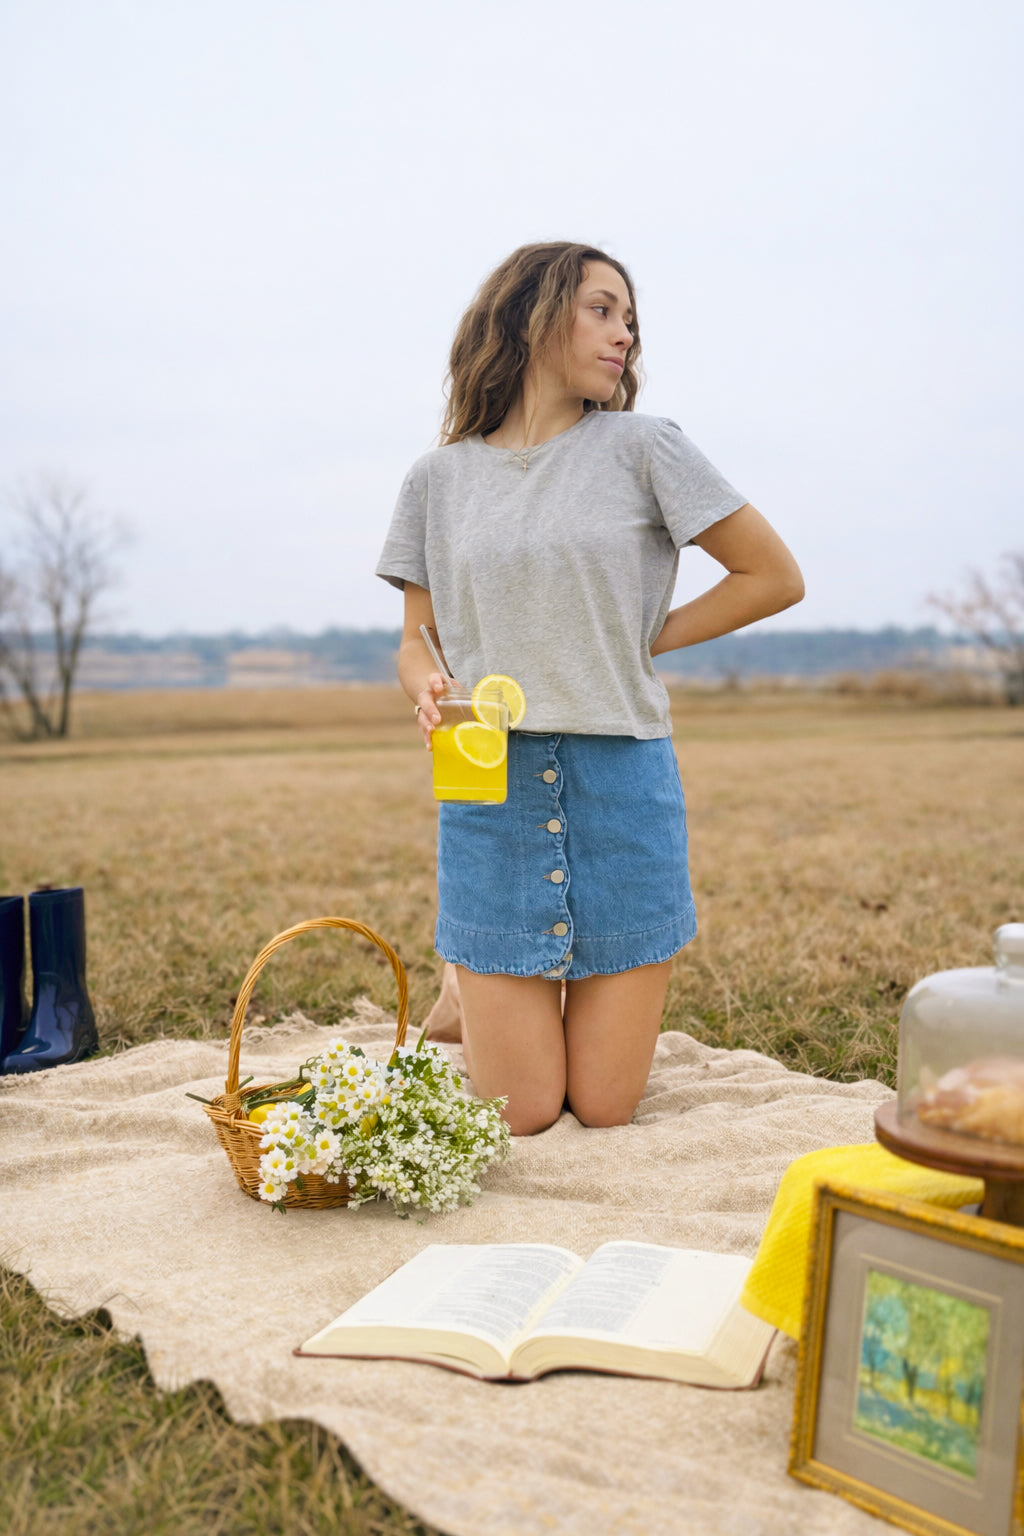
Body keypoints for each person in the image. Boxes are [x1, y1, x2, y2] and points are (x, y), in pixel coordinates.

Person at [375, 241, 803, 1136]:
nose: (624, 337)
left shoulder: (646, 448)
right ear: (531, 315)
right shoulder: (437, 479)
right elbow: (418, 637)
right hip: (489, 788)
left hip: (623, 789)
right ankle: (475, 987)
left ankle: (477, 993)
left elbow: (772, 575)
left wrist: (648, 637)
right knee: (524, 1112)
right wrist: (428, 683)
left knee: (605, 1108)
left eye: (631, 321)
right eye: (602, 310)